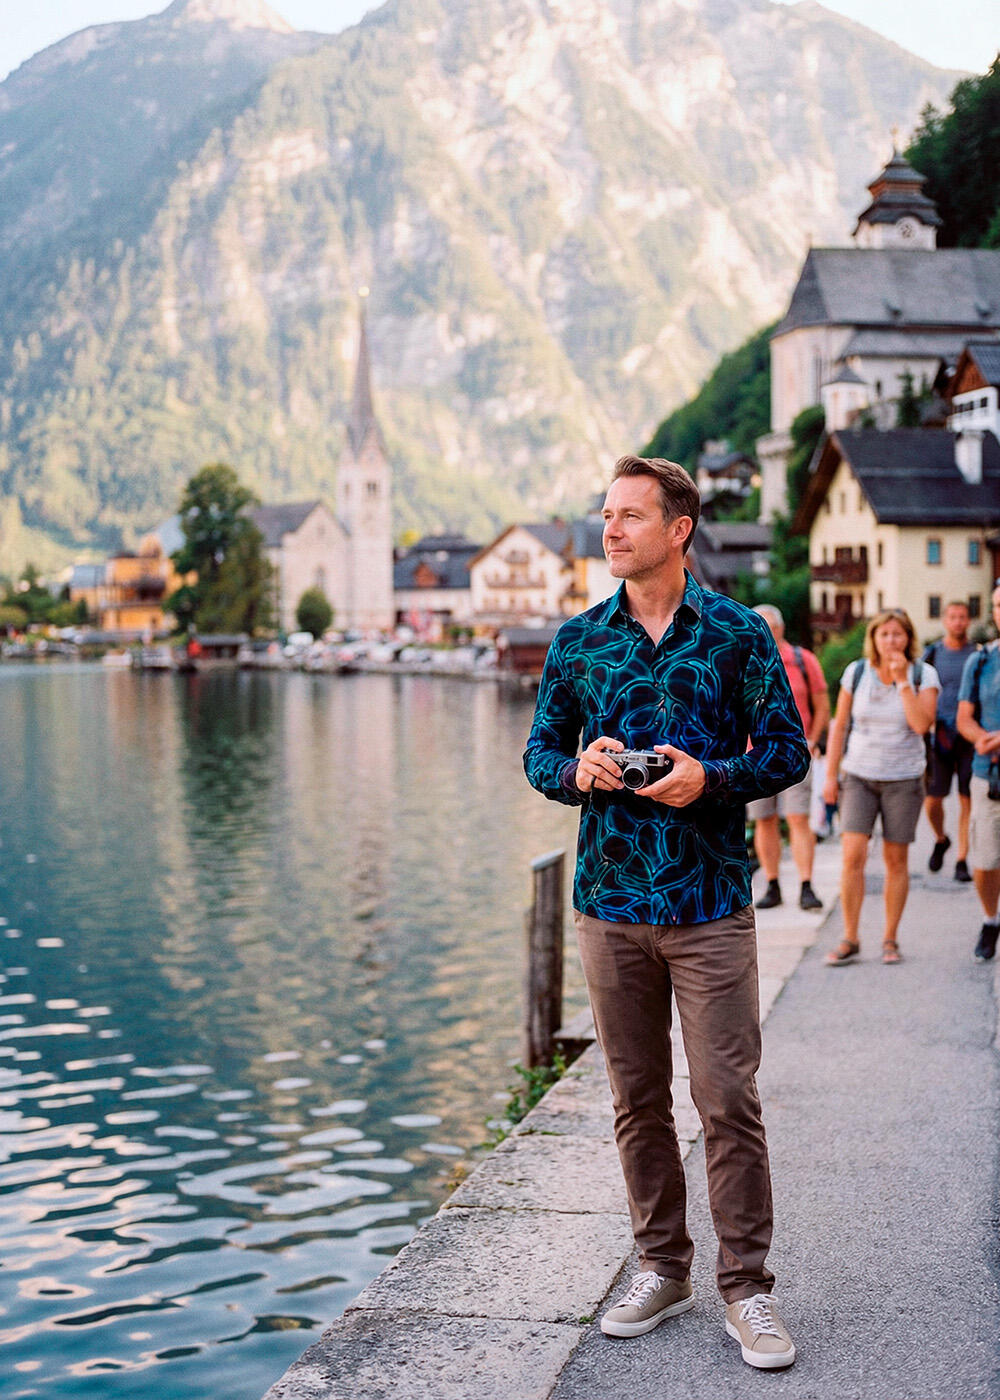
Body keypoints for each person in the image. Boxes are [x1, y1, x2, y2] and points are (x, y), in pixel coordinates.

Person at [523, 455, 808, 1371]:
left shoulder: (737, 635)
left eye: (630, 516)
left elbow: (790, 753)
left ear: (678, 529)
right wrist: (581, 770)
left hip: (711, 903)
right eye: (606, 514)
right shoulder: (577, 641)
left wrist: (709, 778)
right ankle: (660, 1265)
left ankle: (749, 1291)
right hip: (609, 905)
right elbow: (538, 754)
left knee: (727, 1100)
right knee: (635, 1100)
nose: (610, 529)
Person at [822, 608, 939, 966]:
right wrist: (830, 775)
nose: (891, 641)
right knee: (853, 855)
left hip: (903, 777)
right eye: (884, 634)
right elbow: (839, 726)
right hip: (858, 774)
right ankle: (850, 937)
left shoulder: (924, 674)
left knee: (895, 859)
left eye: (898, 634)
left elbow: (921, 725)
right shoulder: (856, 673)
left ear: (908, 638)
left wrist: (903, 681)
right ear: (873, 638)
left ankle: (890, 938)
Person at [746, 605, 830, 911]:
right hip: (752, 755)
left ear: (781, 629)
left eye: (770, 626)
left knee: (797, 817)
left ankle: (806, 885)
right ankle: (772, 884)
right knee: (764, 820)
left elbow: (822, 702)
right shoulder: (744, 658)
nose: (765, 631)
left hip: (794, 750)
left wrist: (815, 739)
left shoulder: (801, 660)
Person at [956, 583, 1000, 962]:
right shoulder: (982, 660)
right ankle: (991, 919)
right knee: (985, 863)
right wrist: (981, 738)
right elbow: (964, 718)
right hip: (989, 775)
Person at [922, 601, 978, 881]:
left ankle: (961, 860)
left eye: (963, 617)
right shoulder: (932, 654)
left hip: (970, 736)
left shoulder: (978, 654)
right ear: (945, 620)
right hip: (939, 734)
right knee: (932, 800)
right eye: (953, 617)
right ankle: (941, 838)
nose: (958, 622)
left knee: (967, 800)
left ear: (969, 620)